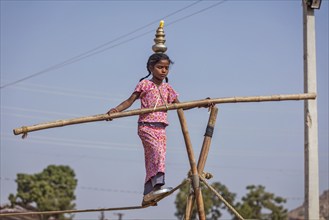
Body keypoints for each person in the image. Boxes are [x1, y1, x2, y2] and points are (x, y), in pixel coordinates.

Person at [107, 53, 179, 206]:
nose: (163, 71)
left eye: (166, 68)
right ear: (151, 68)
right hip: (146, 126)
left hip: (161, 128)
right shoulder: (145, 84)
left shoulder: (168, 88)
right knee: (156, 152)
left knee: (154, 158)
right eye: (160, 67)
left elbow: (181, 105)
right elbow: (129, 101)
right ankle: (158, 185)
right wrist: (116, 110)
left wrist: (203, 104)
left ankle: (147, 194)